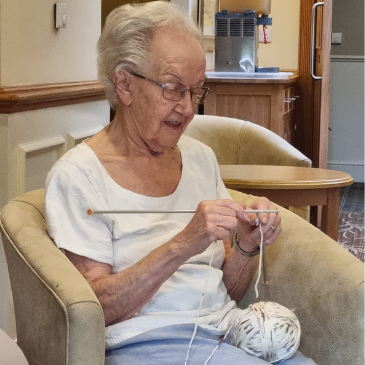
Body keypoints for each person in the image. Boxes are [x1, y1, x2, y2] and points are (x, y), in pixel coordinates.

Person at [45, 2, 316, 364]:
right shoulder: (77, 175)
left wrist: (248, 245)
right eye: (173, 88)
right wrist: (183, 243)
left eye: (197, 90)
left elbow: (226, 292)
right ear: (124, 84)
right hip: (143, 341)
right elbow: (95, 309)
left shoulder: (200, 159)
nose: (188, 108)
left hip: (223, 329)